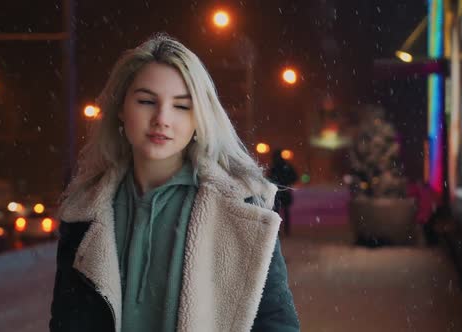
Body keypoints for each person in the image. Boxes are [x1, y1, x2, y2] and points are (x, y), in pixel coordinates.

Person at [50, 34, 300, 332]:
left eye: (181, 106)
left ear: (199, 118)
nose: (162, 119)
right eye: (146, 101)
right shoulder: (84, 213)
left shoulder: (241, 209)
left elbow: (276, 324)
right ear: (120, 108)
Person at [268, 149, 298, 236]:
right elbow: (294, 177)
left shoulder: (275, 167)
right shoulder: (285, 166)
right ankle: (284, 230)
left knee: (278, 211)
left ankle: (279, 230)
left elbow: (270, 178)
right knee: (283, 211)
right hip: (282, 191)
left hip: (278, 191)